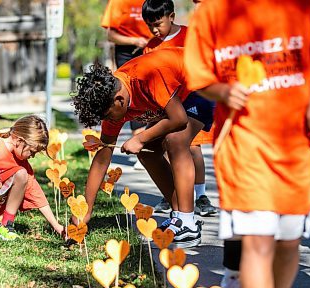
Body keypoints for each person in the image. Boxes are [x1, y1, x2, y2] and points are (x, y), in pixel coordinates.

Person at [184, 1, 310, 288]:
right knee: (257, 242)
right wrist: (223, 91)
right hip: (243, 148)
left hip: (293, 150)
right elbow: (199, 76)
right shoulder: (212, 12)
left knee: (288, 244)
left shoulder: (305, 7)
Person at [72, 47, 212, 248]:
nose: (109, 121)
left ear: (119, 100)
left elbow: (179, 120)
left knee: (175, 140)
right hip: (180, 94)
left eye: (109, 116)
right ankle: (178, 215)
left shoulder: (147, 76)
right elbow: (102, 157)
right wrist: (85, 211)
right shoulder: (112, 101)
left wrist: (140, 138)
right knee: (148, 152)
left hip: (205, 83)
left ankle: (188, 222)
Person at [141, 0, 218, 217]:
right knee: (164, 145)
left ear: (172, 16)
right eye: (150, 26)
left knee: (191, 147)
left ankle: (200, 194)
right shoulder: (150, 46)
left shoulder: (189, 36)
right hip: (168, 102)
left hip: (194, 97)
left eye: (158, 24)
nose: (154, 30)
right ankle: (175, 192)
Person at [101, 0, 153, 170]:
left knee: (151, 94)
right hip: (127, 51)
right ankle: (141, 151)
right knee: (130, 93)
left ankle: (150, 143)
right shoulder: (118, 2)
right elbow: (110, 35)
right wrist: (134, 40)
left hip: (152, 49)